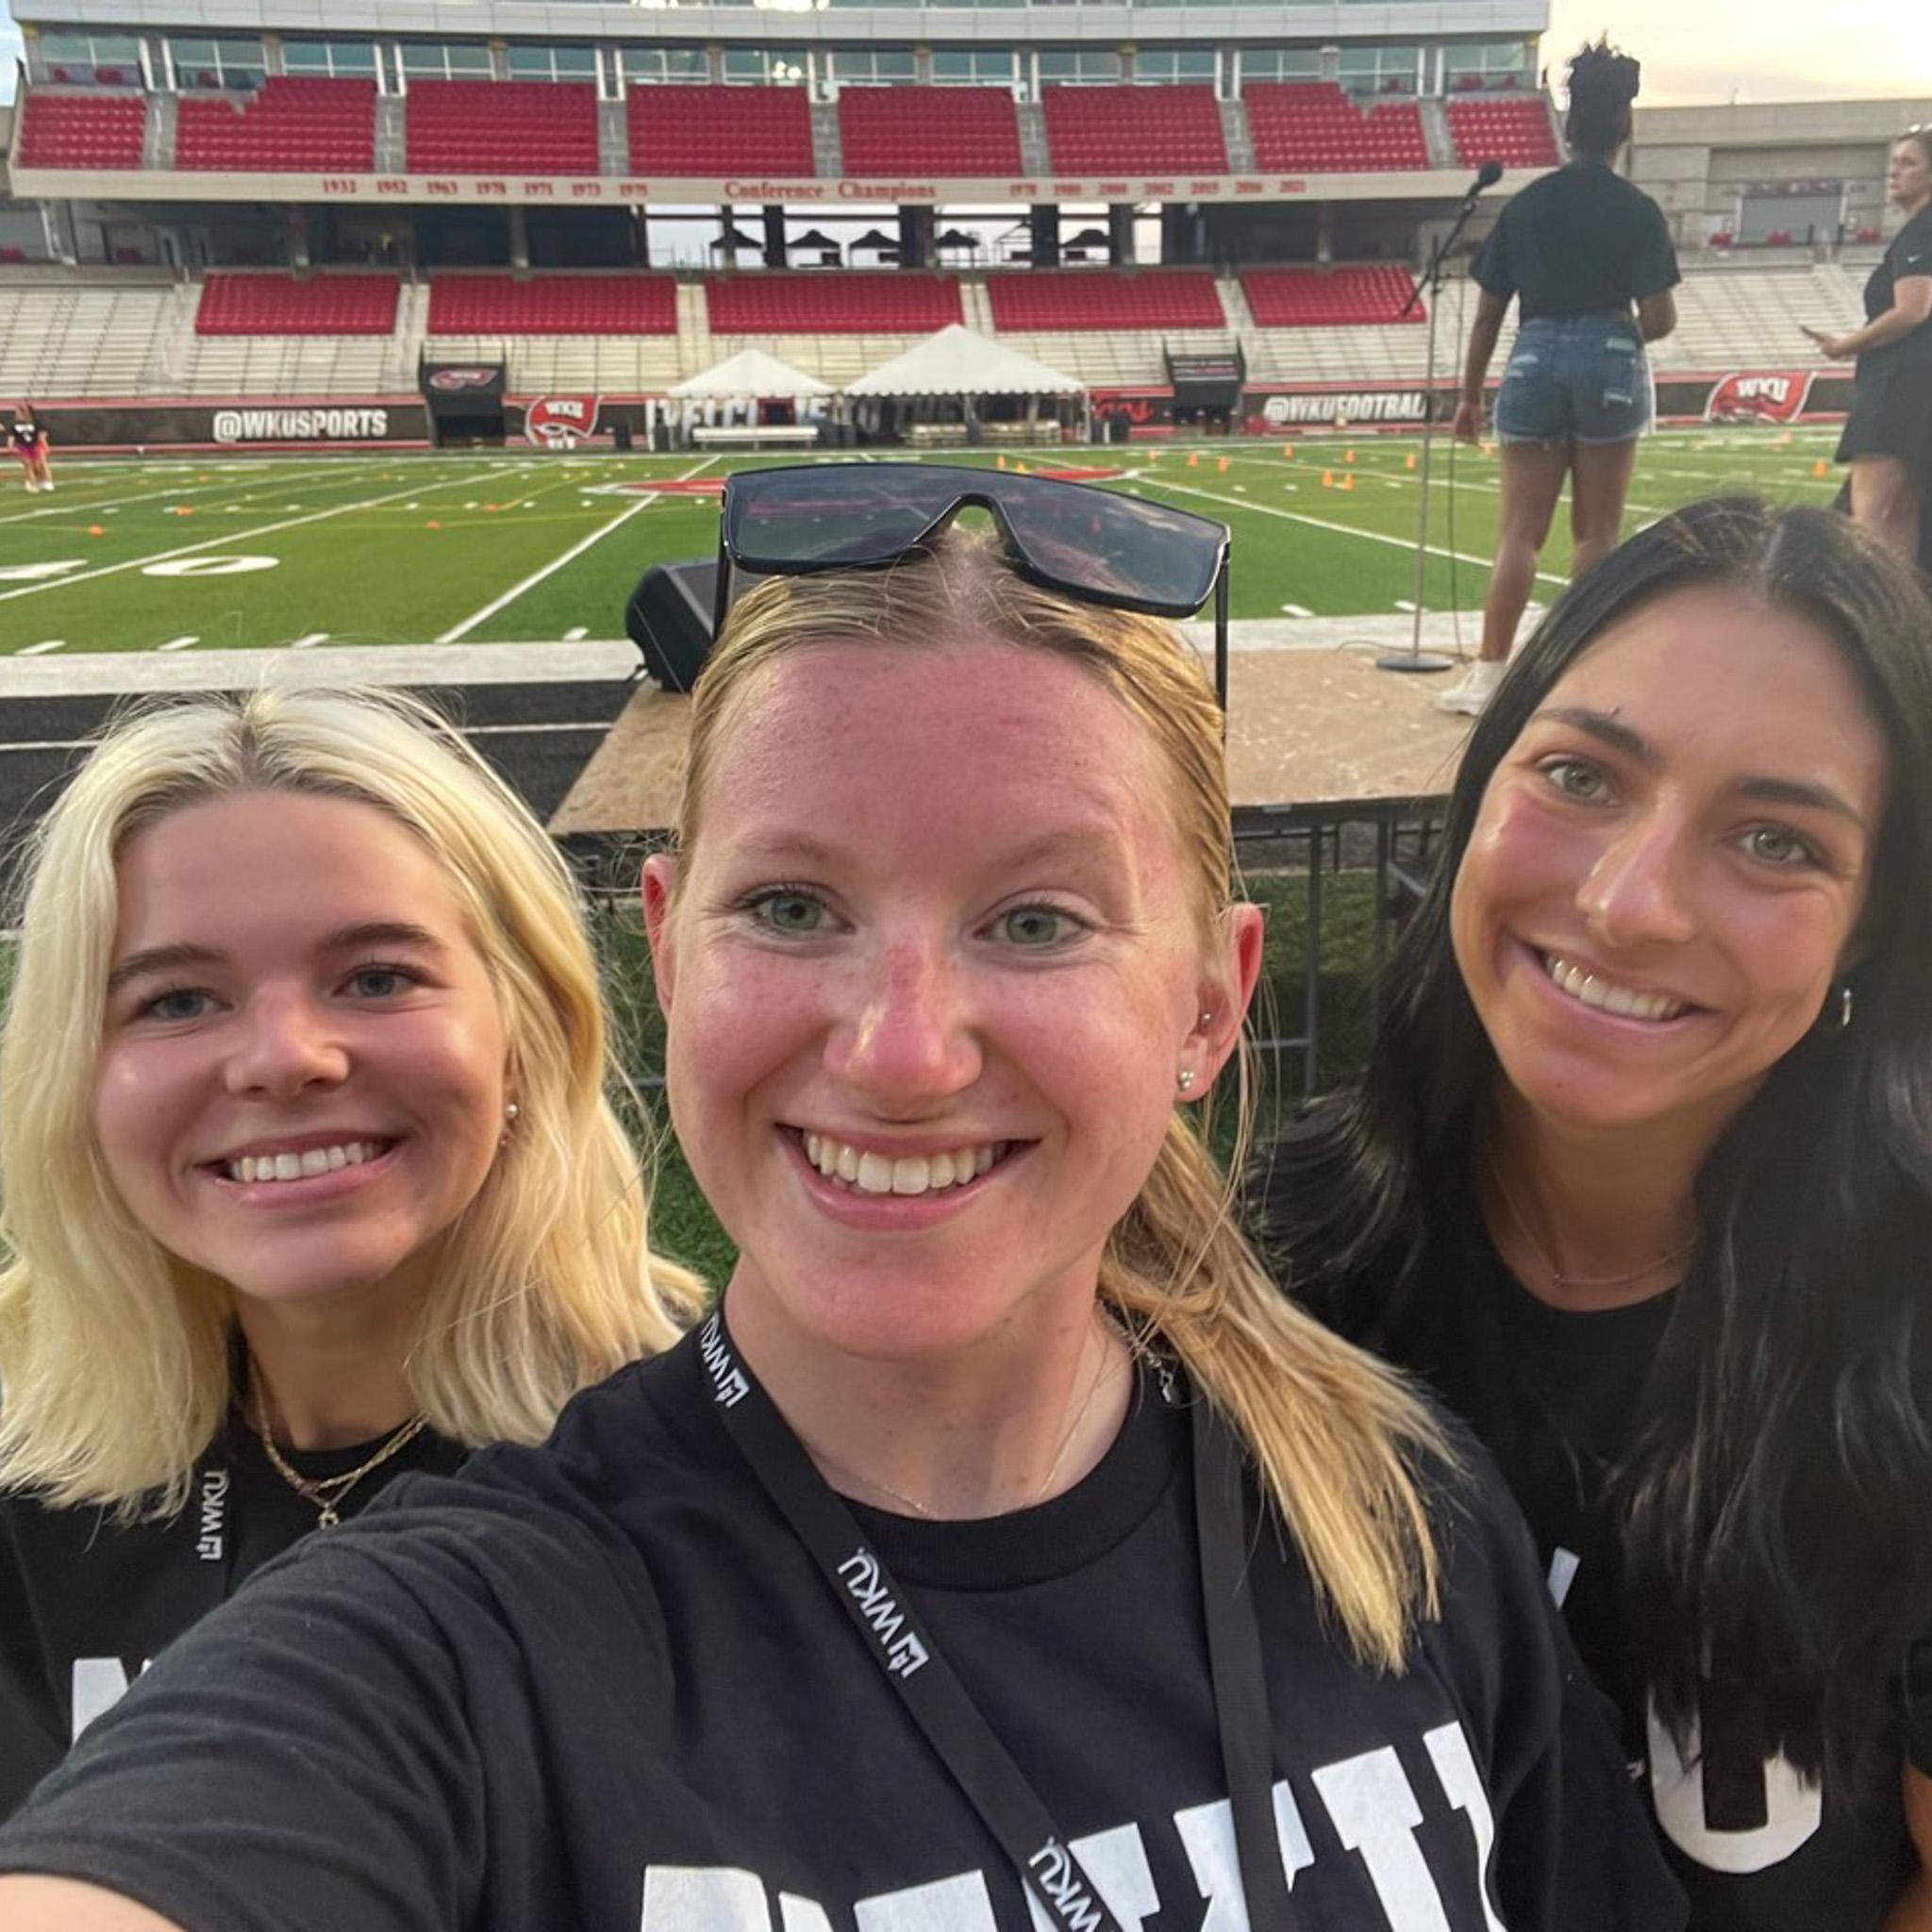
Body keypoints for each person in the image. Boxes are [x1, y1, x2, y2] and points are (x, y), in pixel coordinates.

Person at [0, 471, 1683, 1930]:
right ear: (661, 950)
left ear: (1207, 1002)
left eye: (1034, 921)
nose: (897, 1051)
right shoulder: (461, 1634)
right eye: (793, 904)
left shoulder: (1388, 1505)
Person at [1249, 497, 1932, 1929]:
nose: (1629, 904)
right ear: (1482, 791)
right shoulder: (1265, 1273)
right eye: (1580, 775)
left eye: (1774, 841)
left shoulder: (1906, 1344)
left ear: (1869, 927)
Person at [0, 688, 702, 1820]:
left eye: (376, 977)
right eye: (177, 998)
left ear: (524, 1031)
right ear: (78, 1076)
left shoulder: (717, 1472)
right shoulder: (27, 1485)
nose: (284, 1058)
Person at [1436, 40, 1680, 716]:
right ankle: (1585, 676)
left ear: (1568, 127)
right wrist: (1615, 334)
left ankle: (1488, 676)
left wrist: (1468, 398)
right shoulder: (1638, 211)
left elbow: (1487, 317)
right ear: (1623, 126)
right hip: (1609, 351)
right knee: (1596, 532)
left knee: (1520, 531)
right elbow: (1659, 318)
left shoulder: (1527, 206)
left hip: (1533, 356)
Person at [1806, 127, 1932, 565]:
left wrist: (1845, 345)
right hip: (1915, 388)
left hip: (1898, 389)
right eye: (1894, 161)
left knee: (1873, 523)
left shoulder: (1922, 230)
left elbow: (1913, 309)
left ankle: (1884, 628)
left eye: (1909, 163)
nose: (1894, 171)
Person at [7, 408, 53, 495]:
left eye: (19, 413)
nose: (17, 415)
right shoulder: (13, 424)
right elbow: (11, 435)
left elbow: (41, 434)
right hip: (22, 447)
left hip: (34, 446)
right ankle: (33, 485)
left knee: (36, 466)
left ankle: (41, 480)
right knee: (28, 465)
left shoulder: (34, 423)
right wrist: (10, 446)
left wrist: (45, 445)